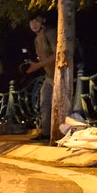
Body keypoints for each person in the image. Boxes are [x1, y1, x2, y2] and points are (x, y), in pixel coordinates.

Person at [25, 12, 57, 140]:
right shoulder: (36, 39)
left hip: (60, 76)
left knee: (59, 105)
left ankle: (60, 132)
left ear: (43, 20)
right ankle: (46, 132)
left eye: (36, 21)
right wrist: (34, 65)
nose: (33, 24)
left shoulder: (50, 33)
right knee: (44, 103)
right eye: (31, 22)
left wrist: (37, 66)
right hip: (49, 76)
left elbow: (57, 55)